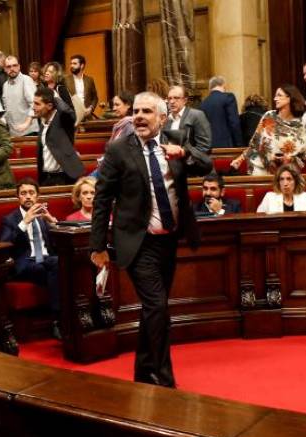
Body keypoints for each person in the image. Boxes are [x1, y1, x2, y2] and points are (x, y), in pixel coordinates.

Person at [90, 91, 213, 388]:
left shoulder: (176, 138)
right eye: (136, 111)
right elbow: (102, 199)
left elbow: (207, 164)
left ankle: (143, 373)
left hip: (168, 240)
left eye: (147, 111)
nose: (139, 117)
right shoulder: (119, 149)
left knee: (153, 309)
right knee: (157, 307)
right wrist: (97, 246)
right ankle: (162, 378)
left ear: (162, 117)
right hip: (137, 241)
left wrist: (184, 153)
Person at [0, 178, 63, 339]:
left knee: (59, 263)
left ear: (37, 196)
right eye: (23, 193)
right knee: (52, 270)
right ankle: (58, 319)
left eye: (31, 193)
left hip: (47, 259)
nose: (28, 196)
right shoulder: (10, 219)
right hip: (25, 263)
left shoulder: (43, 215)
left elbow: (59, 240)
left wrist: (52, 221)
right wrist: (25, 221)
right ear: (18, 197)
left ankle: (57, 319)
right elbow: (4, 244)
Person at [231, 84, 306, 176]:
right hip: (260, 168)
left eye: (279, 95)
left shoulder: (299, 124)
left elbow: (304, 153)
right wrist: (239, 159)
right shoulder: (269, 116)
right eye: (275, 95)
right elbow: (254, 143)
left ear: (289, 98)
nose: (275, 98)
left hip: (286, 173)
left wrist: (289, 159)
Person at [33, 87, 83, 186]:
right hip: (46, 178)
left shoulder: (63, 119)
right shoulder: (43, 122)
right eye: (34, 103)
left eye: (37, 104)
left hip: (64, 178)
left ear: (50, 105)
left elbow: (68, 112)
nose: (33, 107)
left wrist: (55, 98)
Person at [164, 85, 212, 153]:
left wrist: (185, 155)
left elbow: (204, 145)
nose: (172, 101)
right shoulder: (166, 120)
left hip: (189, 162)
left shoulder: (196, 115)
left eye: (176, 98)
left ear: (185, 100)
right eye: (169, 98)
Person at [199, 76, 243, 148]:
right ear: (223, 85)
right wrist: (239, 144)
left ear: (210, 88)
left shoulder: (203, 103)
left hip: (209, 147)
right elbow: (234, 122)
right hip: (226, 145)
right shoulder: (228, 97)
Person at [2, 55, 38, 137]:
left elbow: (35, 104)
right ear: (5, 69)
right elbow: (7, 109)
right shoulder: (5, 85)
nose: (12, 69)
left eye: (14, 65)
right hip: (13, 133)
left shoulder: (26, 80)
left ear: (19, 66)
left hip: (29, 131)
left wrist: (27, 123)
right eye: (9, 66)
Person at [63, 54, 99, 119]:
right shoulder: (65, 80)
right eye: (71, 63)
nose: (71, 66)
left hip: (87, 116)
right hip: (71, 116)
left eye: (74, 63)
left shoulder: (89, 80)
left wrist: (91, 108)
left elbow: (95, 98)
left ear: (82, 65)